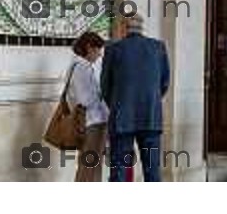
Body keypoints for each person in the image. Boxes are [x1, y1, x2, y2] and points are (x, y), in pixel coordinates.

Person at [101, 13, 170, 182]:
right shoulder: (158, 47)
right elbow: (164, 82)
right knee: (152, 171)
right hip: (151, 117)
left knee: (119, 172)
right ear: (141, 27)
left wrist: (118, 103)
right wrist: (151, 100)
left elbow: (105, 86)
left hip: (122, 118)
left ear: (124, 28)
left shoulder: (113, 49)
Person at [66, 31, 108, 182]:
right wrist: (103, 93)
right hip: (92, 123)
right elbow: (85, 99)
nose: (99, 55)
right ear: (89, 47)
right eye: (98, 51)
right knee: (89, 167)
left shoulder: (76, 66)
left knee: (90, 166)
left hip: (90, 122)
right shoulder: (83, 68)